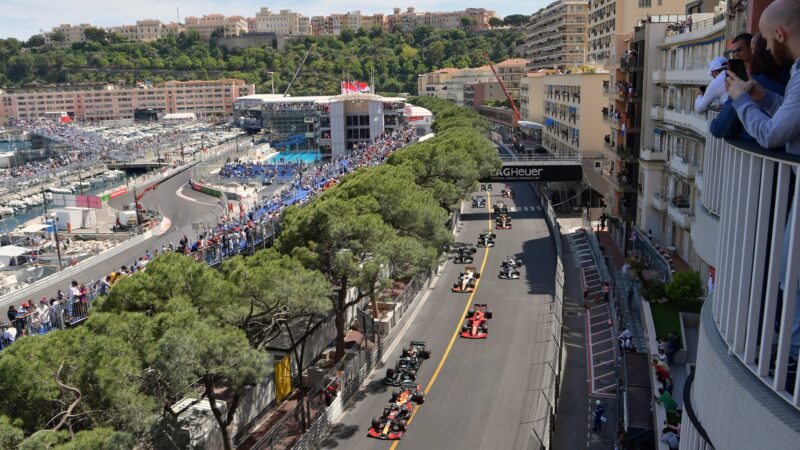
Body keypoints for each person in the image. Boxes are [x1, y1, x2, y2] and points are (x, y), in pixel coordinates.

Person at [711, 32, 789, 142]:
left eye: (739, 50)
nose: (736, 55)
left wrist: (736, 97)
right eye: (733, 52)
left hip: (758, 151)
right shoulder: (792, 78)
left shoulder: (752, 83)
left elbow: (719, 129)